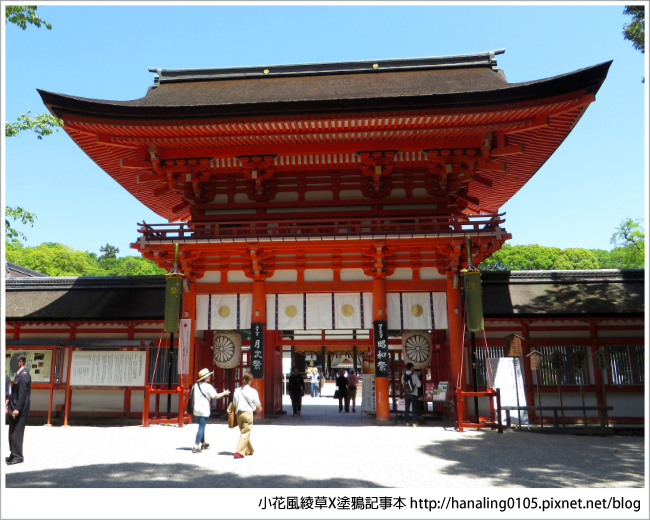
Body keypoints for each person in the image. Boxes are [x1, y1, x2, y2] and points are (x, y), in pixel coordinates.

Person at [190, 368, 230, 453]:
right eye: (209, 375)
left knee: (202, 426)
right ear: (205, 377)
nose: (210, 377)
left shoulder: (195, 385)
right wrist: (225, 393)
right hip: (203, 409)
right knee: (201, 427)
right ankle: (196, 445)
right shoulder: (208, 386)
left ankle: (203, 443)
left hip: (196, 409)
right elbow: (216, 396)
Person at [7, 355, 31, 465]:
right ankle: (13, 453)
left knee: (17, 433)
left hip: (19, 409)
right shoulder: (19, 375)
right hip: (13, 407)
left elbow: (22, 394)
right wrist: (8, 406)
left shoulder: (24, 375)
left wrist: (17, 408)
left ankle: (18, 456)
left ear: (20, 362)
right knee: (12, 432)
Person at [232, 371, 262, 459]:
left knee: (243, 431)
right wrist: (259, 407)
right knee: (245, 432)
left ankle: (249, 450)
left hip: (239, 413)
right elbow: (257, 402)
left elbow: (234, 403)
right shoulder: (253, 391)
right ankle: (239, 452)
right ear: (250, 380)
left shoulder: (237, 390)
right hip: (248, 413)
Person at [403, 362, 422, 427]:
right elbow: (419, 385)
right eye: (413, 367)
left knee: (407, 408)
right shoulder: (414, 375)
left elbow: (402, 383)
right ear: (411, 367)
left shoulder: (403, 375)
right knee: (414, 408)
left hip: (406, 393)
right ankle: (414, 422)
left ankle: (407, 422)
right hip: (414, 394)